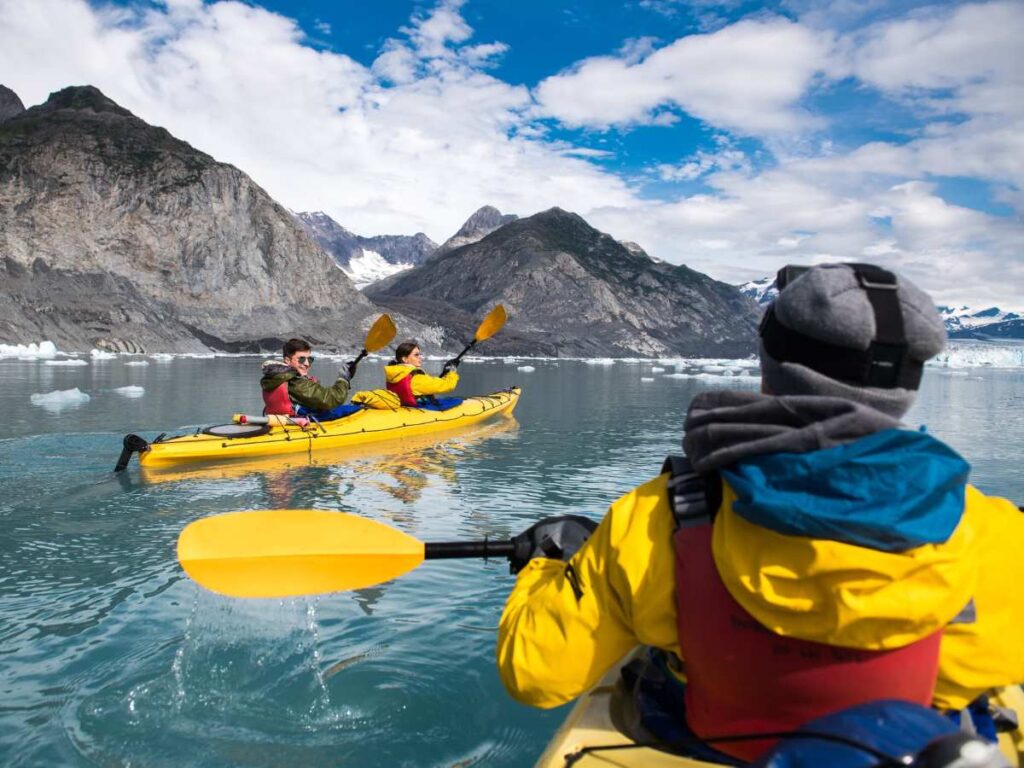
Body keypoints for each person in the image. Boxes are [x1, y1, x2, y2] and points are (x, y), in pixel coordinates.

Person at [497, 263, 1024, 763]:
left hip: (701, 742)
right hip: (916, 747)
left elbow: (536, 675)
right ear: (907, 387)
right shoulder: (996, 532)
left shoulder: (660, 515)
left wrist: (548, 563)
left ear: (769, 365)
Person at [260, 338, 355, 416]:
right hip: (298, 423)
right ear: (287, 361)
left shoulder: (275, 377)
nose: (307, 363)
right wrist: (343, 379)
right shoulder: (295, 382)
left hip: (287, 421)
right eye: (301, 359)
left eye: (309, 359)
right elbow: (331, 399)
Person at [384, 340, 460, 407]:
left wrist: (445, 372)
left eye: (420, 354)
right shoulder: (416, 379)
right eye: (416, 355)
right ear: (405, 359)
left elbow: (431, 383)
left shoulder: (395, 374)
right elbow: (448, 386)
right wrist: (452, 371)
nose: (420, 357)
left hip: (403, 406)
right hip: (416, 410)